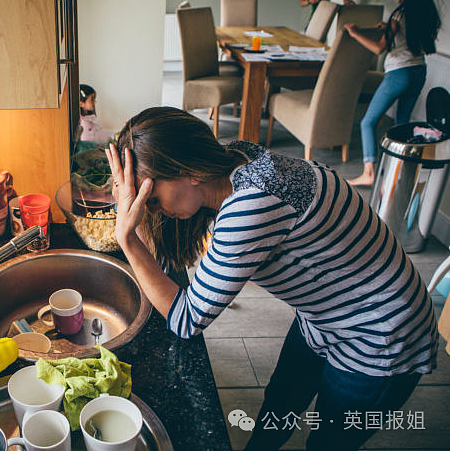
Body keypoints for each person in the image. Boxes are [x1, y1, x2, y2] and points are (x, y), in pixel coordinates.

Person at [105, 107, 437, 450]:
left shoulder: (251, 206)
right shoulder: (238, 159)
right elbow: (157, 268)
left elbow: (185, 319)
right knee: (281, 402)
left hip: (380, 333)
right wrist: (131, 212)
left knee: (328, 441)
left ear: (190, 171)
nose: (152, 210)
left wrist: (127, 236)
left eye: (152, 199)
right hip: (324, 316)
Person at [345, 0, 441, 186]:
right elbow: (409, 36)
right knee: (401, 123)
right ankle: (399, 171)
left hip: (399, 73)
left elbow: (379, 49)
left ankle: (369, 173)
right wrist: (389, 28)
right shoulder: (424, 13)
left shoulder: (399, 15)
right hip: (419, 71)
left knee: (368, 121)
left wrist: (354, 33)